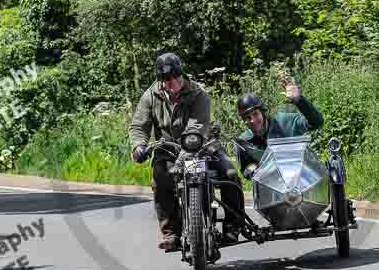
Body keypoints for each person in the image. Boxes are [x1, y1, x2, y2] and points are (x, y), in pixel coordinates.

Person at [128, 53, 246, 250]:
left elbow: (196, 127)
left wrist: (185, 156)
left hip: (201, 146)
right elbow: (138, 125)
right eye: (167, 79)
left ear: (182, 74)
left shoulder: (198, 94)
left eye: (176, 76)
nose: (172, 82)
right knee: (160, 178)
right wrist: (139, 145)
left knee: (230, 175)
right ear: (160, 80)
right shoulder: (151, 96)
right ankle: (171, 233)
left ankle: (232, 227)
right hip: (168, 149)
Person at [234, 76, 324, 180]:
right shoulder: (244, 142)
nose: (252, 120)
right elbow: (246, 168)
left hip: (298, 178)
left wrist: (299, 100)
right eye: (247, 118)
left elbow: (317, 122)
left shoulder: (285, 122)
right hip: (270, 184)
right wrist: (252, 168)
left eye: (255, 114)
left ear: (263, 112)